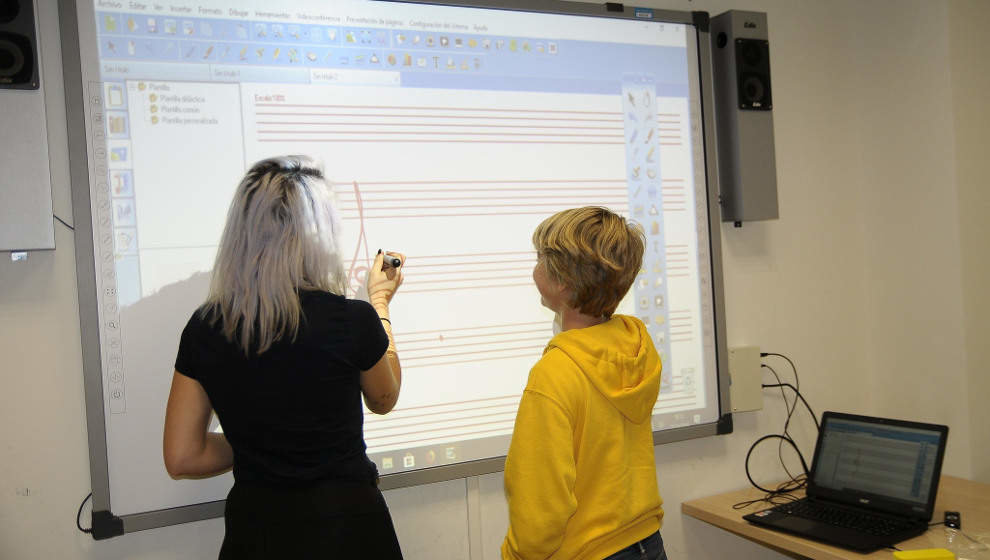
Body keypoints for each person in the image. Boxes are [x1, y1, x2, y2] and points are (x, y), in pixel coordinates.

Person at [163, 155, 405, 559]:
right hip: (348, 533)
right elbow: (385, 398)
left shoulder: (206, 327)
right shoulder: (351, 319)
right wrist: (379, 301)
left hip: (257, 535)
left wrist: (263, 444)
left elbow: (182, 455)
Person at [501, 206, 668, 560]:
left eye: (541, 259)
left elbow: (541, 507)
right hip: (647, 544)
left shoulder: (556, 373)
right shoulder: (635, 347)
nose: (534, 269)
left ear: (562, 280)